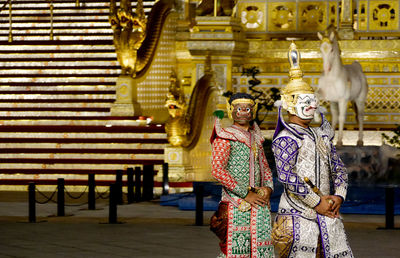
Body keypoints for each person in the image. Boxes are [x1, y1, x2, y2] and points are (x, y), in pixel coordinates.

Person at [271, 42, 353, 257]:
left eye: (314, 100)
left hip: (328, 212)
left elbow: (339, 168)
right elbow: (287, 176)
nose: (313, 105)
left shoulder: (322, 134)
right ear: (289, 104)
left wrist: (338, 197)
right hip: (297, 216)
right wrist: (317, 203)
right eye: (305, 101)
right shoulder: (286, 138)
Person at [210, 92, 275, 257]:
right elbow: (217, 170)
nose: (244, 111)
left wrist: (268, 188)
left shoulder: (256, 137)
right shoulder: (225, 136)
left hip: (259, 202)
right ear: (230, 110)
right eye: (239, 108)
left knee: (262, 249)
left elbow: (265, 168)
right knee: (237, 251)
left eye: (248, 108)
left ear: (253, 111)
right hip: (236, 202)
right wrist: (245, 194)